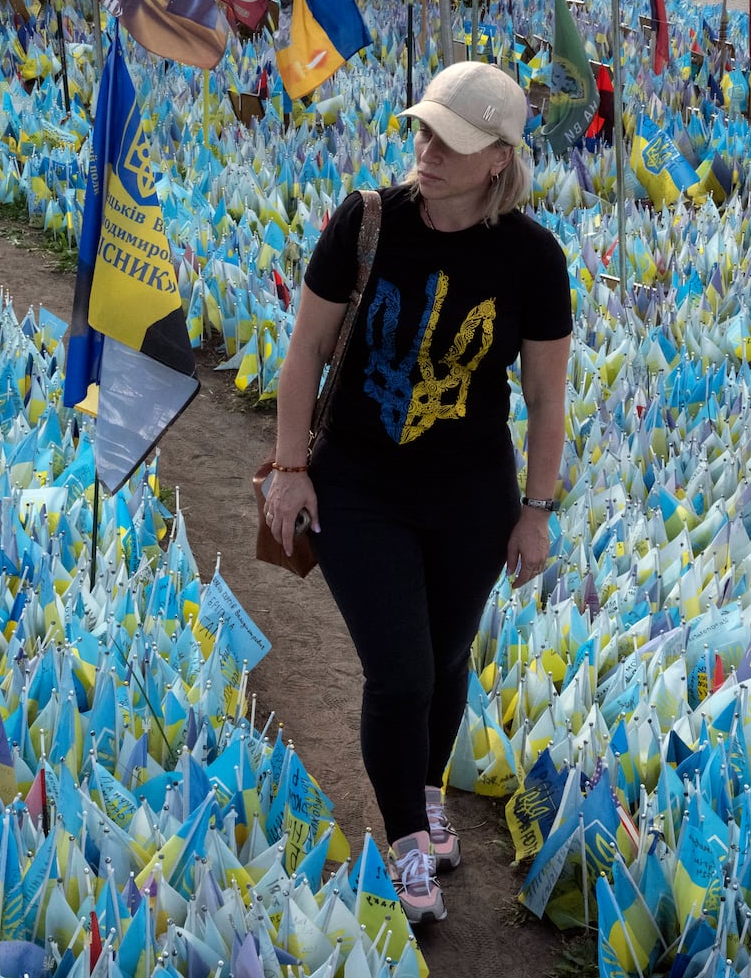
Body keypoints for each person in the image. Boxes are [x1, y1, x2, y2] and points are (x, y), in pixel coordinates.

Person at [265, 62, 571, 924]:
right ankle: (404, 838)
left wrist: (536, 509)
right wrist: (290, 469)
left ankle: (427, 789)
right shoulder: (366, 223)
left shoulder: (533, 258)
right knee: (399, 671)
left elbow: (547, 399)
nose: (428, 151)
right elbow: (304, 356)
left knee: (442, 663)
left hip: (472, 495)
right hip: (359, 484)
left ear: (500, 161)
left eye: (452, 142)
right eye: (425, 131)